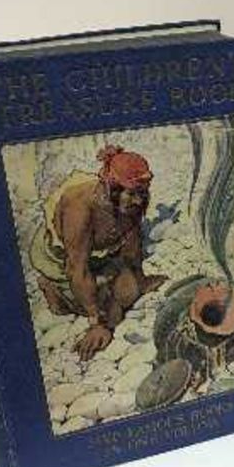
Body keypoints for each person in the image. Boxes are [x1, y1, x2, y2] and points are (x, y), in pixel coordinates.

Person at [31, 145, 167, 360]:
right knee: (105, 312)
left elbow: (132, 236)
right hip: (61, 260)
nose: (139, 200)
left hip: (100, 253)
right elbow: (77, 267)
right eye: (132, 194)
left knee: (128, 293)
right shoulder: (79, 208)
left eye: (142, 193)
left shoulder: (131, 200)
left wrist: (140, 278)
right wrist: (96, 322)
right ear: (112, 189)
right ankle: (54, 290)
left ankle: (100, 285)